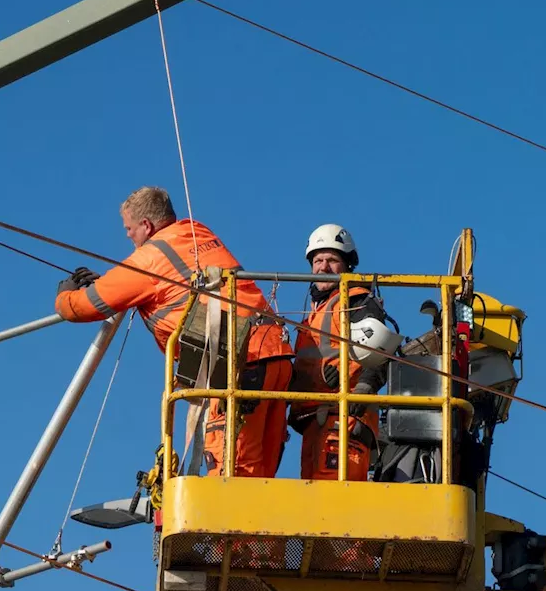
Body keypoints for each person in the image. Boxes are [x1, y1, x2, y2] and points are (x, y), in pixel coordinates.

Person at [55, 186, 293, 478]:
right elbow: (176, 282)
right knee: (260, 479)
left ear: (146, 225)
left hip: (235, 363)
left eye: (129, 228)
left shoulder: (148, 260)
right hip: (276, 356)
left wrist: (64, 294)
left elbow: (81, 307)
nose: (128, 236)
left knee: (232, 475)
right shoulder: (197, 232)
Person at [288, 224, 399, 481]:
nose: (323, 267)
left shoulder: (356, 302)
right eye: (318, 260)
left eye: (332, 260)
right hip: (316, 424)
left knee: (333, 510)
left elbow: (381, 351)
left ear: (348, 265)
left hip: (344, 422)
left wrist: (363, 390)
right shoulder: (315, 314)